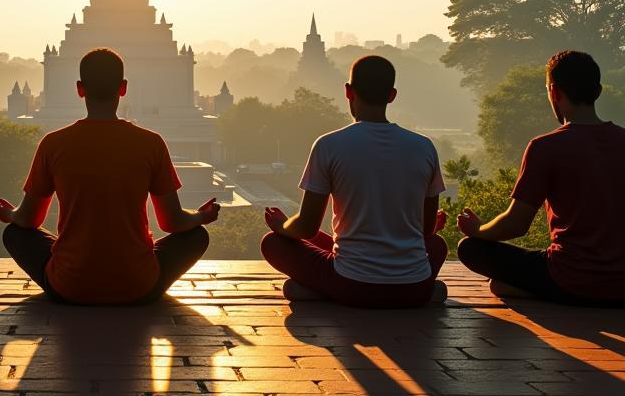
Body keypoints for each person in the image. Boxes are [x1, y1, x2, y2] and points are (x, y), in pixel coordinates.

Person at [0, 47, 219, 305]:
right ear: (123, 88)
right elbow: (172, 222)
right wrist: (202, 216)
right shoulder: (151, 143)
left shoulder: (53, 144)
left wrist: (10, 214)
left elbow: (29, 219)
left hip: (69, 286)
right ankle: (135, 268)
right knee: (196, 235)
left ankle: (70, 265)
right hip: (138, 286)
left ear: (80, 89)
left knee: (15, 233)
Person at [261, 55, 448, 308]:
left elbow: (306, 228)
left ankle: (322, 292)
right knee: (436, 244)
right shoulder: (424, 147)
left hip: (353, 286)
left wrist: (282, 226)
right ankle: (427, 292)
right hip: (413, 288)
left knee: (273, 243)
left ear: (348, 92)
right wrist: (426, 226)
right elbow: (426, 232)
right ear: (392, 95)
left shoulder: (329, 145)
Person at [457, 50, 625, 306]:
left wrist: (478, 229)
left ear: (554, 92)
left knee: (470, 248)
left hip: (569, 277)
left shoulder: (545, 147)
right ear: (598, 91)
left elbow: (516, 224)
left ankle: (546, 291)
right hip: (621, 284)